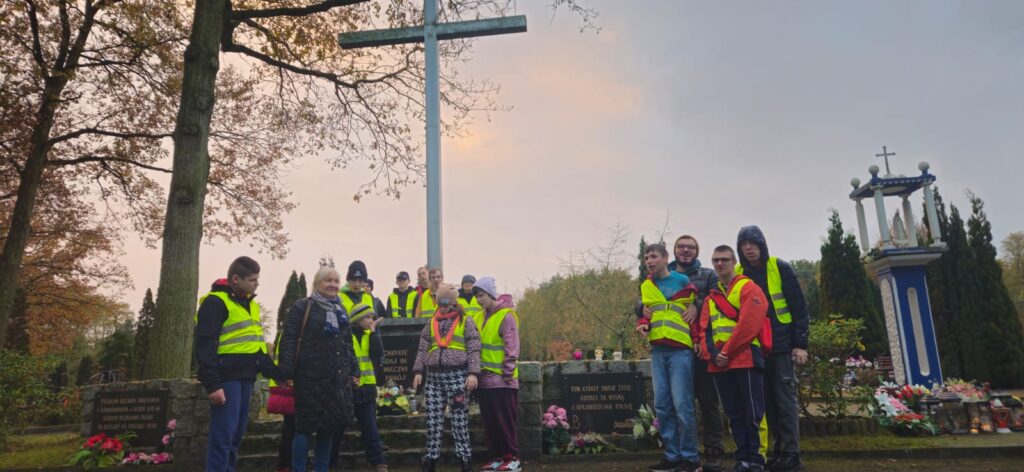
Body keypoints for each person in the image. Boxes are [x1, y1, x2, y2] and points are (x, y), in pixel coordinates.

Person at [194, 256, 278, 472]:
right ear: (235, 279)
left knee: (235, 438)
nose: (257, 284)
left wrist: (278, 373)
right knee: (222, 438)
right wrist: (212, 384)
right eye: (252, 279)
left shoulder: (251, 305)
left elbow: (257, 347)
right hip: (226, 379)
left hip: (247, 378)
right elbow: (205, 346)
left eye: (258, 279)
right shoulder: (215, 302)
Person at [736, 226, 810, 472]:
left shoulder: (779, 267)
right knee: (767, 402)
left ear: (762, 244)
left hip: (781, 346)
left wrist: (800, 344)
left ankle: (791, 454)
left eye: (753, 243)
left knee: (785, 401)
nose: (749, 248)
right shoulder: (738, 273)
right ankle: (778, 452)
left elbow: (799, 307)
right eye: (744, 244)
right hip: (755, 348)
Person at [698, 245, 771, 472]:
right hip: (720, 364)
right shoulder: (712, 298)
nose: (720, 264)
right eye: (715, 260)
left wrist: (726, 353)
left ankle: (756, 459)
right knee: (734, 414)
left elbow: (749, 325)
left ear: (734, 262)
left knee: (753, 413)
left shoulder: (748, 288)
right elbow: (704, 330)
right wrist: (712, 354)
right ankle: (742, 458)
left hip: (746, 359)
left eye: (724, 260)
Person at [277, 266, 357, 472]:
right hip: (310, 378)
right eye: (327, 281)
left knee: (328, 428)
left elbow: (347, 342)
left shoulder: (341, 310)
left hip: (335, 379)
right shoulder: (303, 307)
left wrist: (354, 370)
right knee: (304, 428)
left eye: (336, 281)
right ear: (317, 283)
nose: (333, 285)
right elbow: (289, 338)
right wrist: (285, 370)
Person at [635, 243, 700, 472]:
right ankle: (671, 456)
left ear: (665, 258)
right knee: (662, 405)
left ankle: (690, 458)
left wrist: (695, 307)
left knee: (683, 405)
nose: (649, 261)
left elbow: (694, 307)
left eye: (653, 256)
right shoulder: (646, 286)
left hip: (680, 351)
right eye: (646, 258)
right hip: (658, 351)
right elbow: (648, 312)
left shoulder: (681, 281)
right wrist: (642, 324)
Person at [411, 284, 481, 472]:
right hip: (434, 379)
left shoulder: (465, 321)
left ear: (453, 303)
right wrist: (418, 371)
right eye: (440, 304)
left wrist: (473, 373)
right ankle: (431, 460)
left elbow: (474, 348)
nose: (442, 308)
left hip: (457, 377)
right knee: (433, 421)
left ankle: (465, 460)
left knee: (459, 421)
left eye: (446, 304)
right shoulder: (431, 322)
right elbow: (422, 348)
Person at [472, 277, 522, 472]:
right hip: (484, 380)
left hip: (503, 380)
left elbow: (512, 346)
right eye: (476, 295)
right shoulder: (477, 317)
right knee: (490, 423)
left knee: (505, 422)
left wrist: (508, 372)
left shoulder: (507, 316)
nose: (478, 299)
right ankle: (497, 457)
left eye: (481, 295)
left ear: (491, 294)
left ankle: (513, 458)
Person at [331, 303, 388, 472]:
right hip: (348, 388)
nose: (371, 320)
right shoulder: (346, 335)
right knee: (337, 429)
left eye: (372, 317)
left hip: (367, 388)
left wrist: (372, 333)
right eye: (368, 317)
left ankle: (378, 462)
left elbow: (377, 354)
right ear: (358, 319)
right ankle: (330, 463)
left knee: (370, 428)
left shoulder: (369, 334)